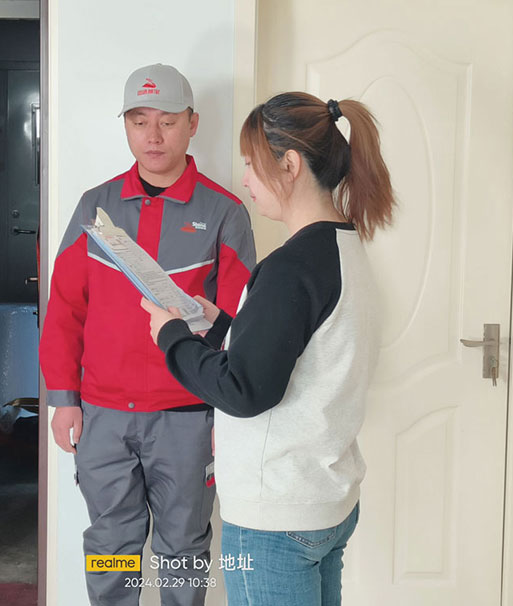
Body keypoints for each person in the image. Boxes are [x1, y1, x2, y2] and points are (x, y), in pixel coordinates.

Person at [141, 92, 396, 606]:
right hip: (325, 500)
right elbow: (308, 349)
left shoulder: (290, 268)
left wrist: (171, 337)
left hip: (277, 516)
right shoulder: (345, 247)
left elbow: (244, 390)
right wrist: (222, 326)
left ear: (290, 165)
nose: (245, 181)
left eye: (251, 165)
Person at [40, 63, 256, 605]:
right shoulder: (95, 208)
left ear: (192, 124)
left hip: (187, 417)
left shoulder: (225, 212)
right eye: (139, 121)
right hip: (103, 415)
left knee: (184, 546)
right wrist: (63, 399)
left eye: (168, 121)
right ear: (126, 126)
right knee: (110, 544)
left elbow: (241, 326)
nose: (153, 136)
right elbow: (64, 308)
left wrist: (226, 417)